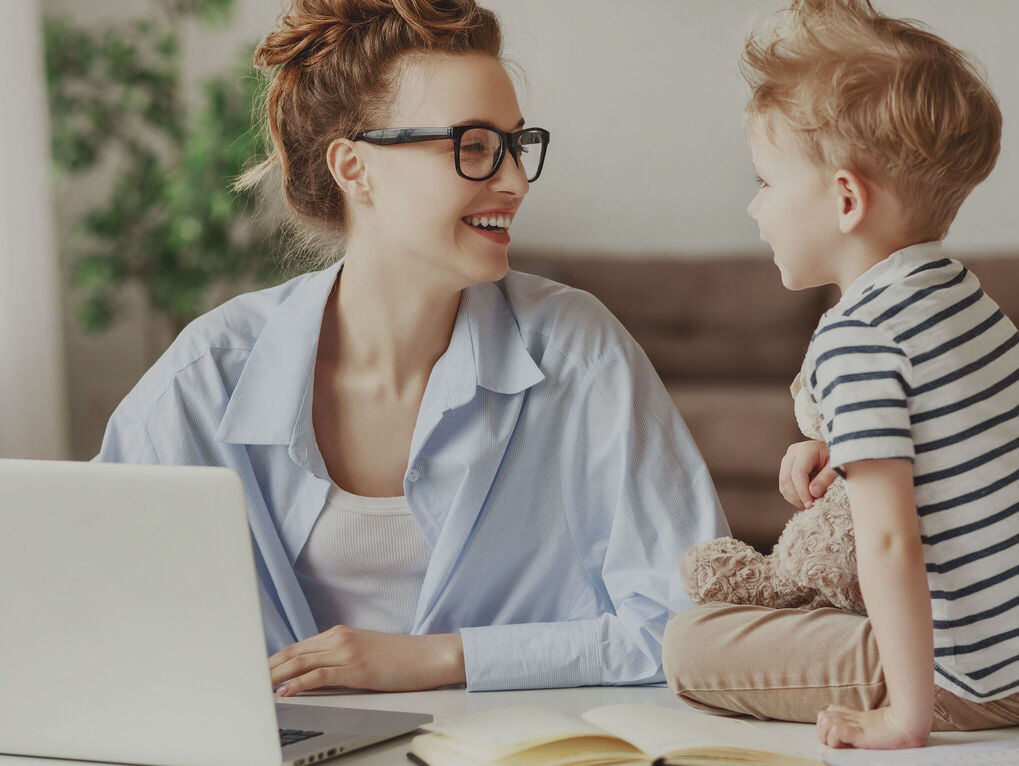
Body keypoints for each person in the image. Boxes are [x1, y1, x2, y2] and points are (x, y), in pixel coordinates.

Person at [94, 0, 726, 696]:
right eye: (475, 146)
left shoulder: (578, 353)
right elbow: (83, 605)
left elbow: (694, 624)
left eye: (516, 145)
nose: (514, 181)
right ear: (354, 167)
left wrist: (440, 658)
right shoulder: (208, 377)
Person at [662, 0, 1019, 749]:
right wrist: (839, 446)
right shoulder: (955, 293)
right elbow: (963, 445)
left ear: (845, 198)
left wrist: (907, 715)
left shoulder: (857, 339)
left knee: (691, 645)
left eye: (765, 182)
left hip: (984, 674)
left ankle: (913, 690)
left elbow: (890, 545)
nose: (753, 207)